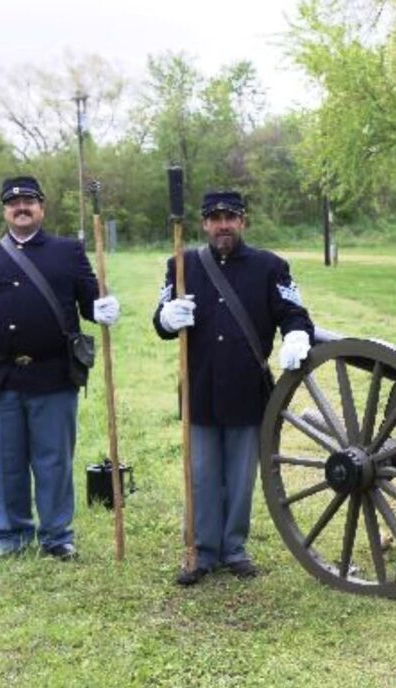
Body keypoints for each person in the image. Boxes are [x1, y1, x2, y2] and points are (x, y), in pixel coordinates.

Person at [0, 175, 121, 562]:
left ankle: (57, 537)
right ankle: (13, 537)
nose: (21, 208)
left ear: (42, 207)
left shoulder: (68, 252)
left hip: (53, 375)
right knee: (6, 464)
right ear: (5, 210)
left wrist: (104, 307)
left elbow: (92, 301)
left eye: (29, 202)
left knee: (53, 461)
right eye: (13, 203)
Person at [153, 190, 315, 586]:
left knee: (241, 475)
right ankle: (202, 551)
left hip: (247, 386)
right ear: (204, 224)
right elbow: (159, 323)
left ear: (243, 221)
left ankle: (234, 547)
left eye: (231, 217)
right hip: (200, 387)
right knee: (203, 472)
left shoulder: (271, 266)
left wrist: (296, 337)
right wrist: (166, 317)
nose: (223, 225)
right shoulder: (181, 265)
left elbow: (294, 314)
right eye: (215, 218)